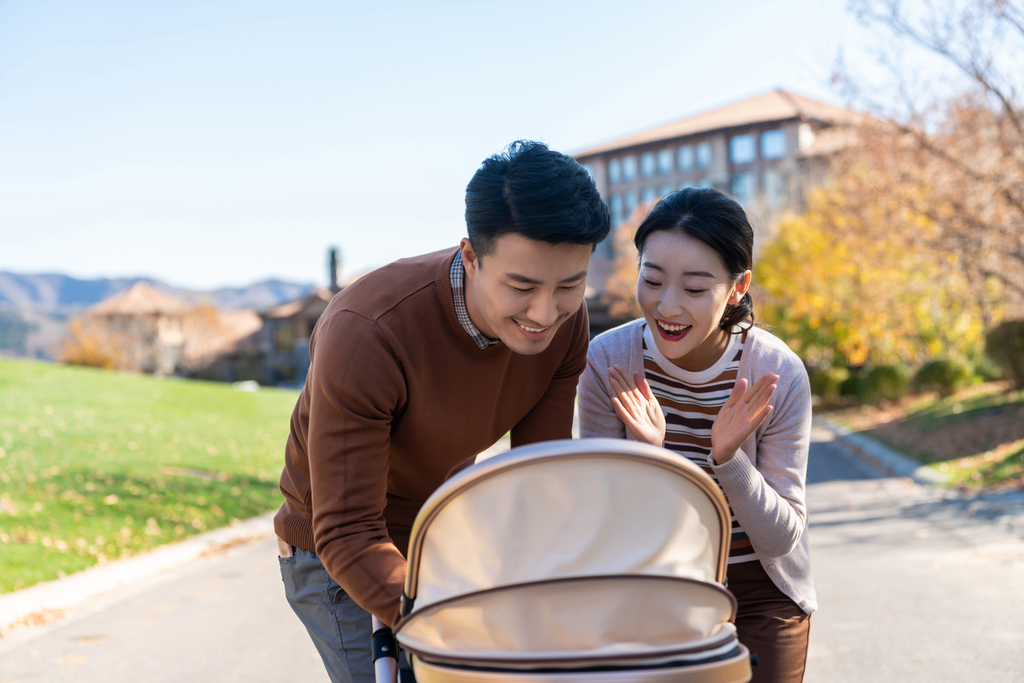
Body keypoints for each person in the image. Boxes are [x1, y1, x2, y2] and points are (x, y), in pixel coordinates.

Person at [274, 140, 610, 683]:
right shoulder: (367, 332)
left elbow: (538, 480)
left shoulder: (566, 325)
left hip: (443, 537)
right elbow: (348, 530)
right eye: (521, 286)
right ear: (471, 257)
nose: (545, 313)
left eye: (570, 285)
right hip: (336, 550)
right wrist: (460, 627)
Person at [577, 187, 814, 683]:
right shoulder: (608, 361)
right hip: (656, 584)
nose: (667, 306)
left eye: (694, 288)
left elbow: (781, 537)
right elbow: (600, 525)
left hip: (761, 590)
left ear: (737, 287)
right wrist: (651, 458)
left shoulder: (777, 373)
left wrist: (728, 460)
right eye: (653, 279)